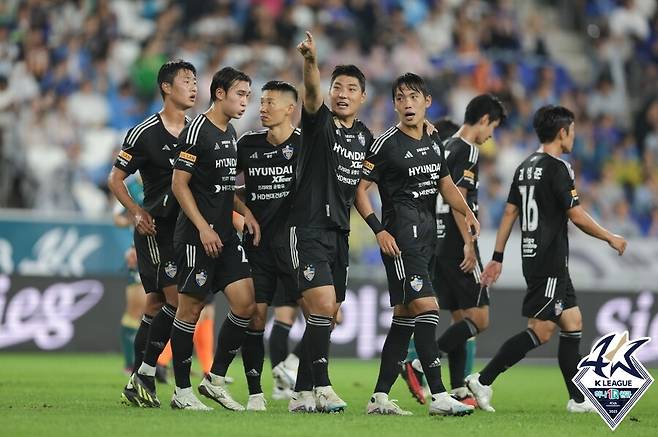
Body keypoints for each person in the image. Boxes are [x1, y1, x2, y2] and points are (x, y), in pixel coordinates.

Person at [466, 105, 627, 413]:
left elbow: (510, 213)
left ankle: (578, 399)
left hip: (539, 257)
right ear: (562, 132)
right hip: (549, 259)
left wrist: (498, 256)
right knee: (541, 330)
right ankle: (483, 380)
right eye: (573, 131)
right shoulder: (559, 167)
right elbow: (576, 215)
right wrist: (610, 236)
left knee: (572, 322)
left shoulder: (525, 166)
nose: (574, 137)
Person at [355, 73, 479, 416]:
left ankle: (379, 397)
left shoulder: (433, 139)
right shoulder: (385, 144)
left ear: (426, 101)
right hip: (399, 240)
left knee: (404, 318)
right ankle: (439, 395)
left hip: (427, 236)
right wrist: (379, 229)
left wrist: (466, 210)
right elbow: (359, 191)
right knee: (427, 307)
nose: (406, 103)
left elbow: (446, 184)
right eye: (400, 98)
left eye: (413, 97)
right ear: (395, 104)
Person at [287, 31, 374, 413]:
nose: (341, 93)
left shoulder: (365, 137)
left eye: (350, 88)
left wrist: (425, 131)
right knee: (321, 306)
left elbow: (384, 163)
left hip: (339, 233)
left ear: (362, 97)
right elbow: (310, 92)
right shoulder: (319, 122)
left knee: (330, 315)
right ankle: (323, 386)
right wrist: (310, 62)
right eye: (337, 86)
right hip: (307, 228)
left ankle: (301, 392)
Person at [107, 60, 197, 406]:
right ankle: (145, 373)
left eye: (195, 81)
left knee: (156, 303)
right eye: (186, 81)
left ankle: (139, 378)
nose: (193, 87)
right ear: (166, 87)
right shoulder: (144, 132)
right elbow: (115, 179)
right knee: (174, 301)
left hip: (186, 230)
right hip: (156, 230)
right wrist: (137, 211)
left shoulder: (196, 130)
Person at [433, 94, 506, 404]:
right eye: (494, 127)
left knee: (460, 317)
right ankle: (424, 357)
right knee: (480, 319)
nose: (491, 135)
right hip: (457, 241)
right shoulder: (467, 149)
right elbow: (459, 197)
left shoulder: (445, 146)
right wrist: (468, 243)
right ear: (485, 119)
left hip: (437, 242)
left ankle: (459, 389)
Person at [236, 80, 303, 401]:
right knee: (257, 316)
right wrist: (244, 212)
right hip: (259, 247)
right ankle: (256, 393)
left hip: (298, 247)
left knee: (330, 313)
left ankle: (291, 368)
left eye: (269, 103)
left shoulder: (308, 144)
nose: (261, 108)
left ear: (290, 108)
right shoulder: (247, 144)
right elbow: (228, 187)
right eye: (260, 103)